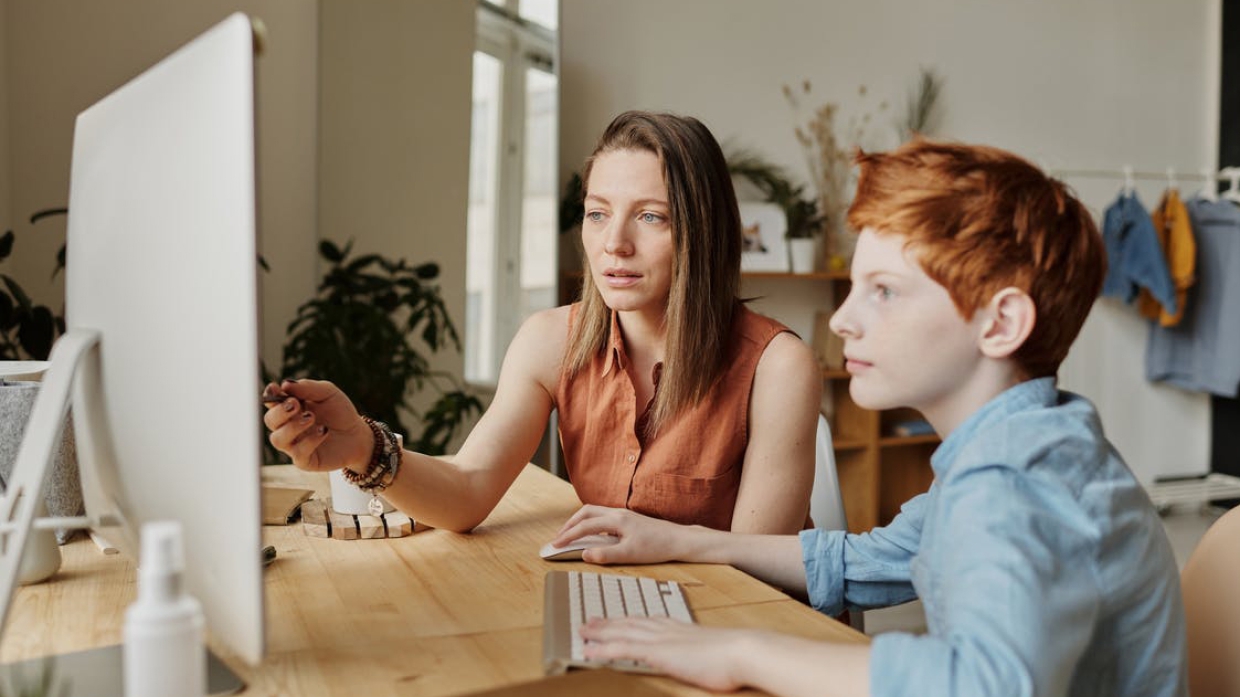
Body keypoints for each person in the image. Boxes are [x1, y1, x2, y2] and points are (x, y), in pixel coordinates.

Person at [553, 139, 1188, 696]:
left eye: (882, 291)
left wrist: (741, 652)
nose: (841, 319)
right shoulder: (1026, 444)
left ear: (1001, 324)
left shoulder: (1016, 482)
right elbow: (868, 561)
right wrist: (683, 542)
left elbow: (983, 685)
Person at [263, 110, 821, 535]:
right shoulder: (551, 340)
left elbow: (757, 573)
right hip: (629, 610)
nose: (614, 244)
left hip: (744, 632)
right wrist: (363, 446)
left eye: (651, 217)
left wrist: (649, 545)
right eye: (598, 213)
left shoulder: (778, 366)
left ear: (704, 233)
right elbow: (467, 491)